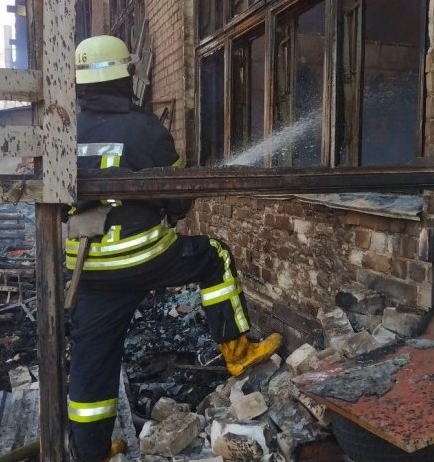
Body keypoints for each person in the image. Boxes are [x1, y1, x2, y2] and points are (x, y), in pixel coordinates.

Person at [66, 35, 283, 462]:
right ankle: (238, 353)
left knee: (92, 359)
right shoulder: (144, 127)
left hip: (86, 267)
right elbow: (178, 199)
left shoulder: (64, 129)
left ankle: (91, 453)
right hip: (143, 256)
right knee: (213, 256)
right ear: (126, 77)